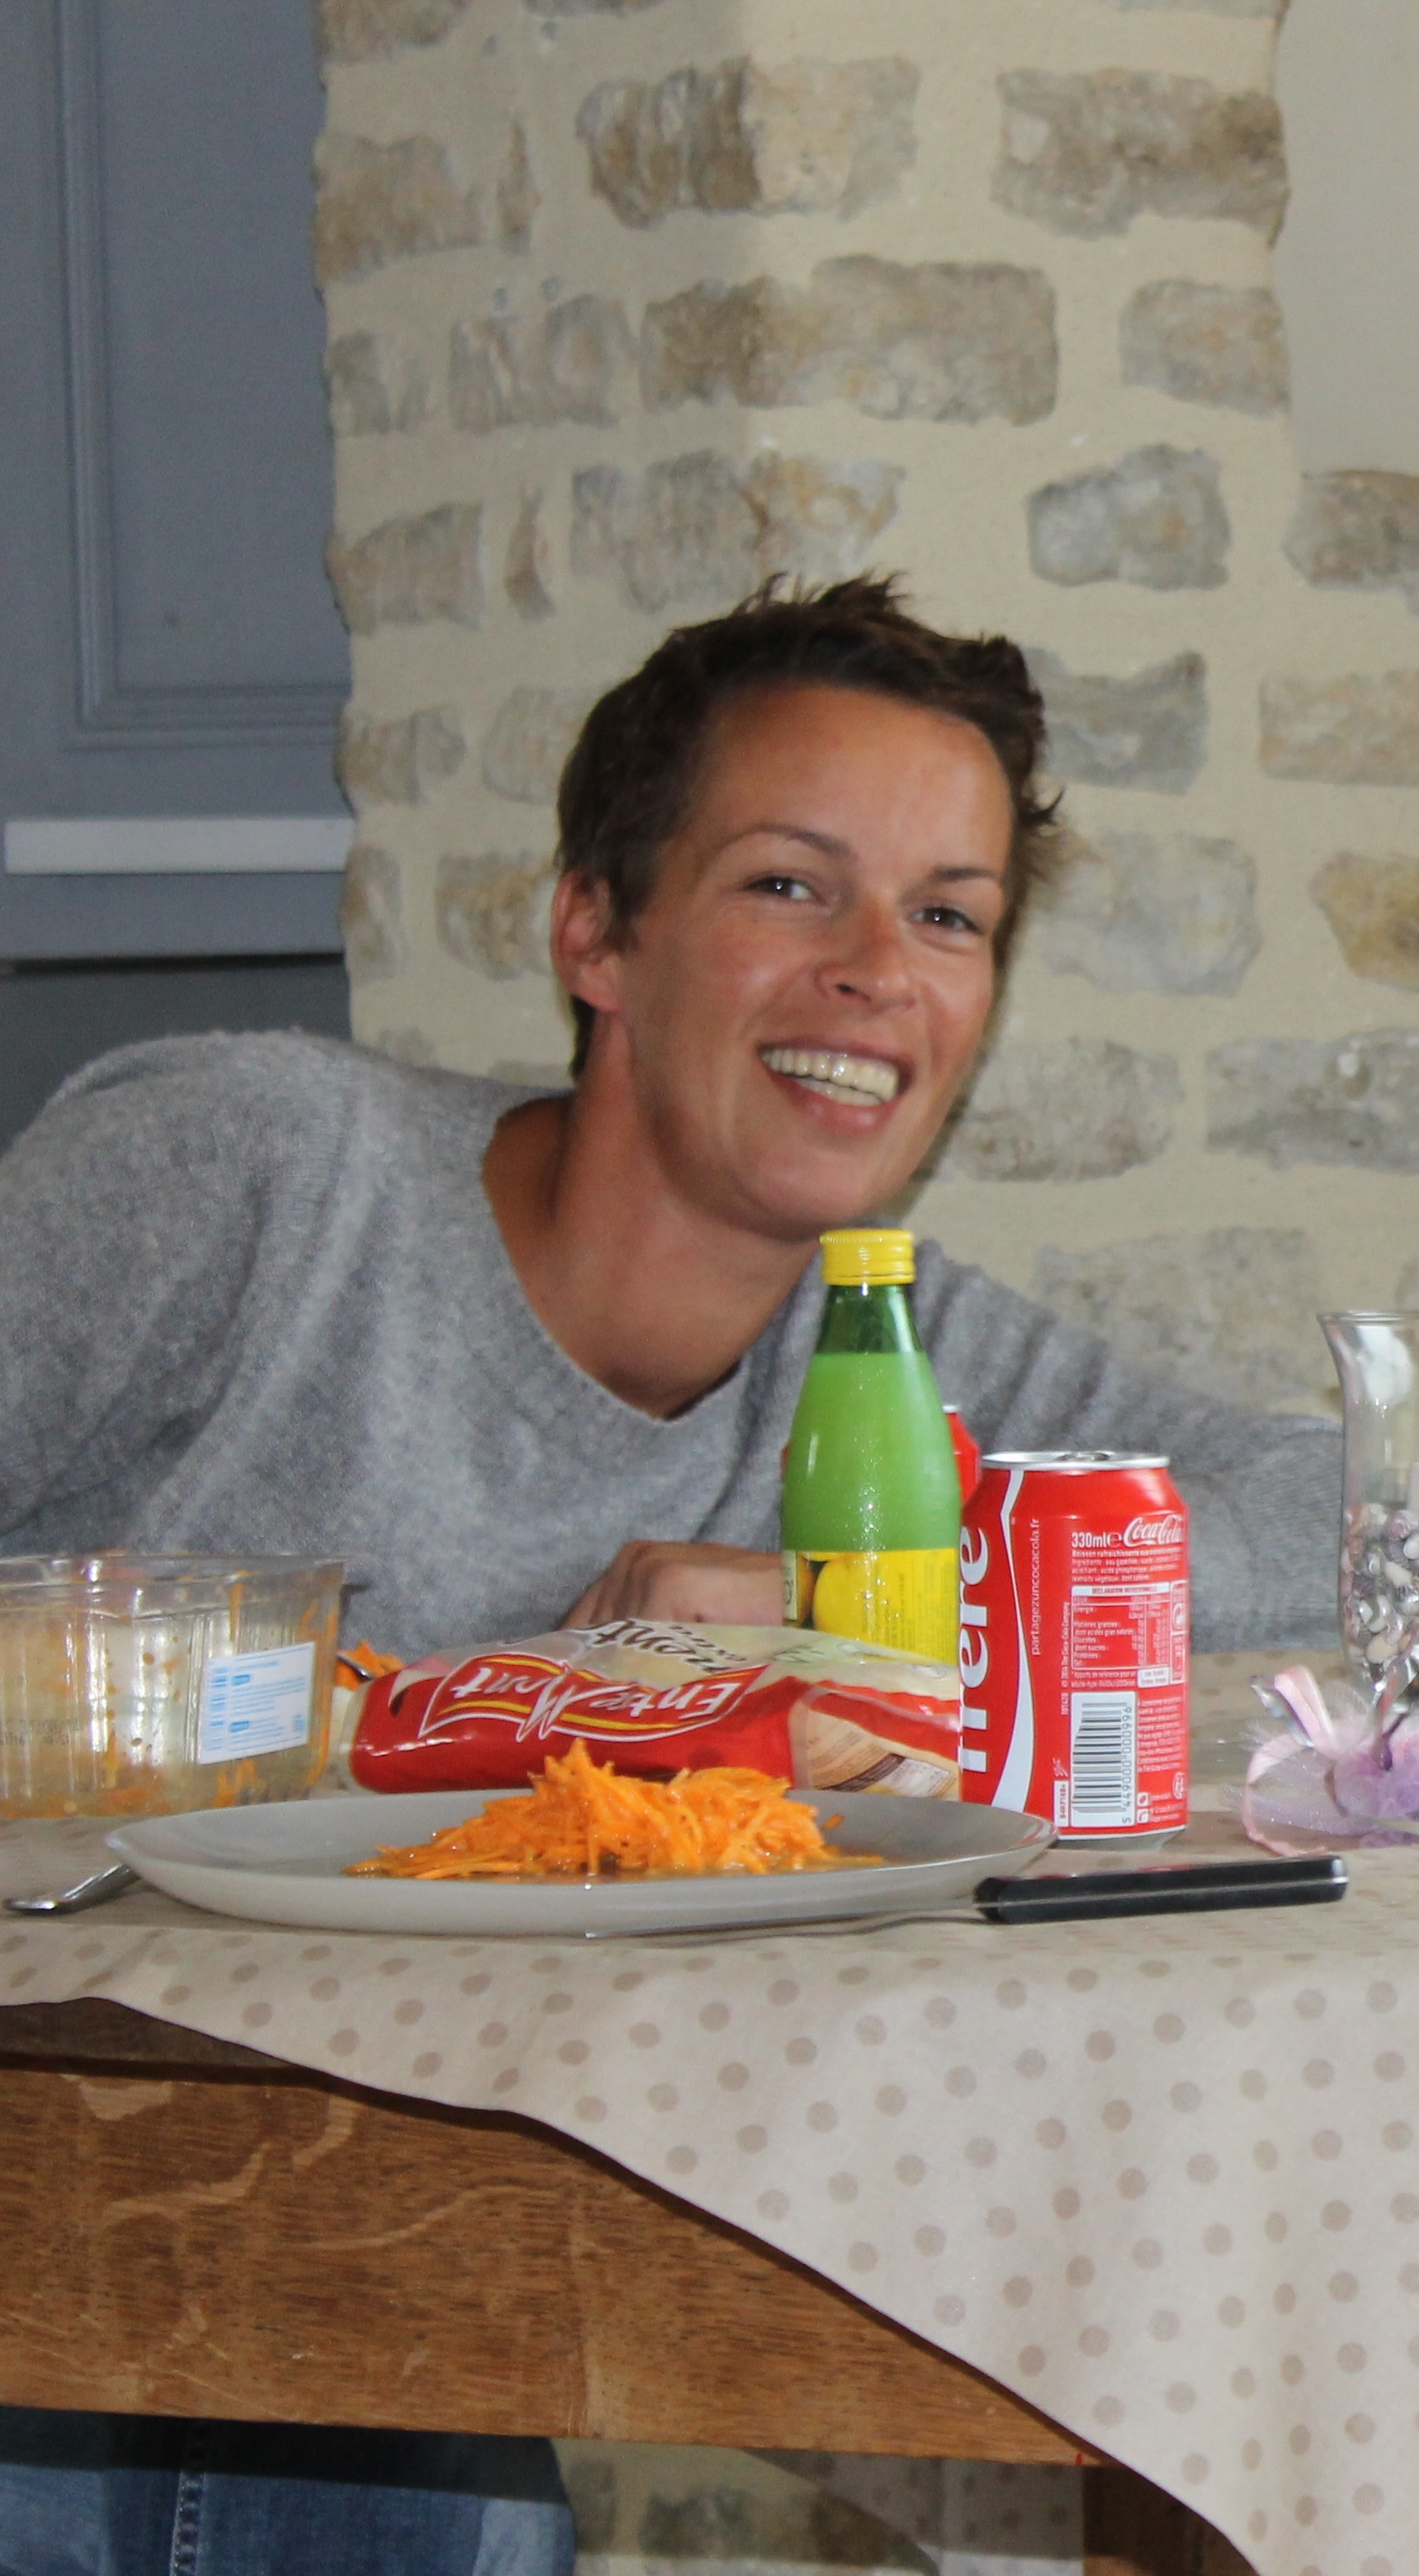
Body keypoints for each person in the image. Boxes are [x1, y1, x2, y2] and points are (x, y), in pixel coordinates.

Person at [0, 576, 1339, 2574]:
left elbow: (1333, 1501)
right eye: (792, 885)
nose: (877, 971)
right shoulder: (262, 1165)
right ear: (595, 933)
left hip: (392, 2237)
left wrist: (851, 1595)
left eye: (951, 914)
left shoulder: (886, 1353)